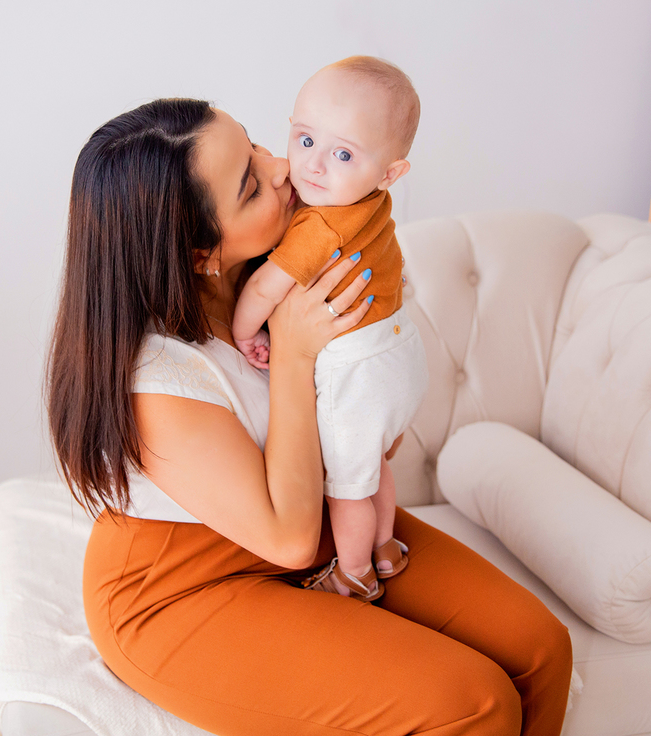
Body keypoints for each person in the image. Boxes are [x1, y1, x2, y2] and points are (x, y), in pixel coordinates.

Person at [48, 97, 573, 735]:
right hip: (183, 587)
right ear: (199, 251)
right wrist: (294, 353)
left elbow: (378, 420)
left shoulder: (291, 263)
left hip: (321, 517)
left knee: (542, 650)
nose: (279, 168)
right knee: (475, 704)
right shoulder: (156, 381)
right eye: (249, 185)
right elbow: (289, 540)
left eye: (255, 145)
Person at [231, 57, 429, 602]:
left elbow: (265, 287)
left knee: (345, 488)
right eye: (305, 140)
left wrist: (246, 331)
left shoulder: (320, 223)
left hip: (358, 370)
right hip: (400, 352)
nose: (314, 165)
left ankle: (356, 573)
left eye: (343, 154)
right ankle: (386, 547)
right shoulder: (372, 203)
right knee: (372, 469)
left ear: (390, 173)